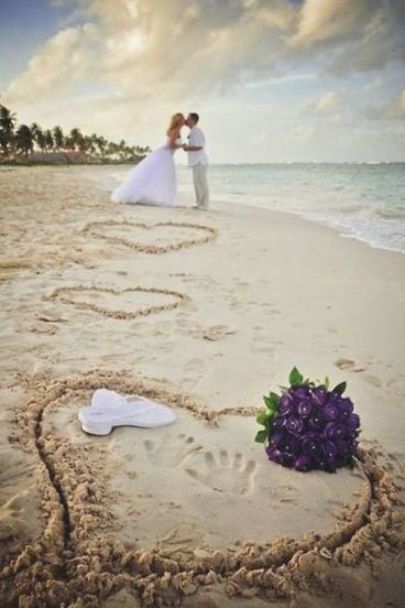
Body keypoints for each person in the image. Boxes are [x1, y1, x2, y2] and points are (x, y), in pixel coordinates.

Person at [111, 113, 185, 206]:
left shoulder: (176, 130)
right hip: (165, 155)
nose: (184, 120)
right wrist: (182, 146)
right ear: (179, 121)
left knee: (159, 176)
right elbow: (170, 145)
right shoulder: (175, 131)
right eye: (182, 119)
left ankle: (155, 195)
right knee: (163, 175)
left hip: (167, 155)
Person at [183, 113, 209, 209]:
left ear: (193, 120)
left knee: (201, 183)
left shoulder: (196, 131)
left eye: (188, 118)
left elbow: (199, 146)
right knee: (197, 184)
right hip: (196, 162)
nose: (186, 120)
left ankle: (204, 205)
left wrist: (187, 148)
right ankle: (199, 204)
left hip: (200, 161)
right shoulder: (193, 131)